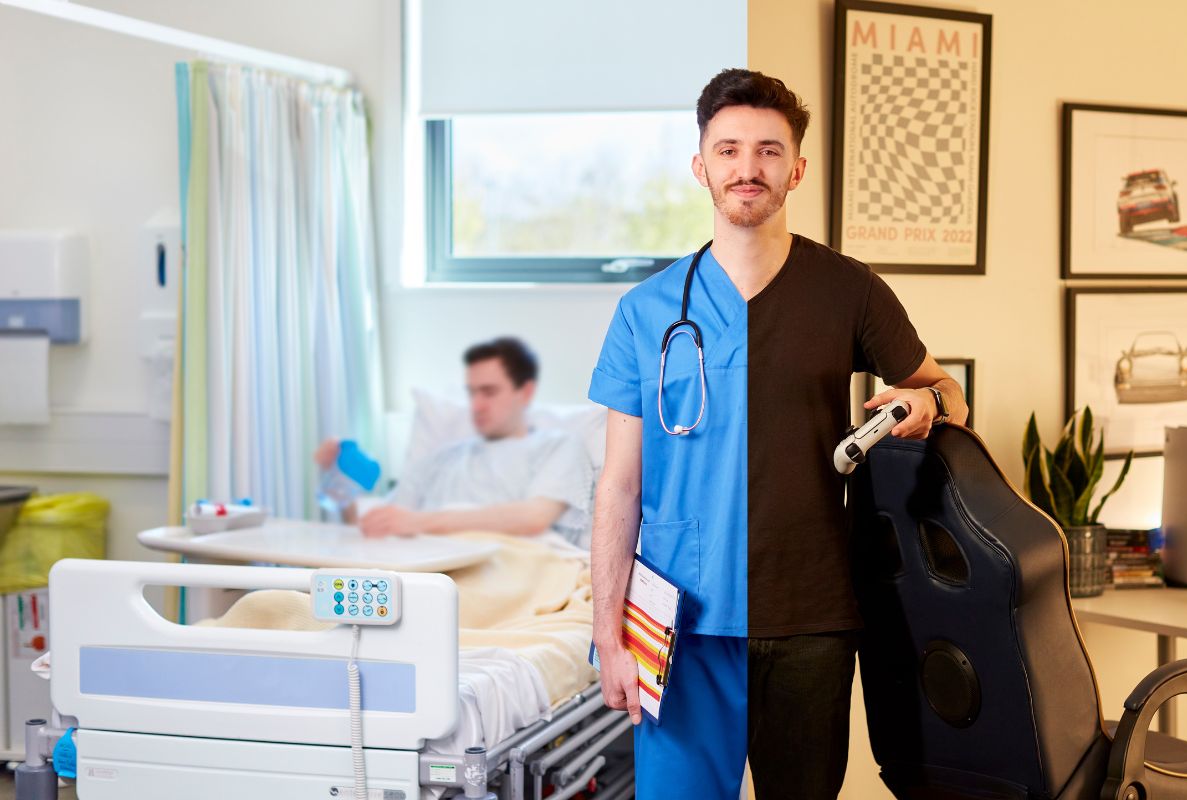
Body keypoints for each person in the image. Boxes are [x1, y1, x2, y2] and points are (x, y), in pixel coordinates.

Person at [587, 69, 968, 799]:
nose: (747, 168)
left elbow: (945, 389)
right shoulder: (645, 311)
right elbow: (619, 483)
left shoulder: (849, 290)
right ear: (701, 166)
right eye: (728, 150)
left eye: (768, 150)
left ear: (796, 168)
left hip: (812, 617)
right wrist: (609, 632)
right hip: (676, 622)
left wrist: (926, 405)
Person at [315, 337, 594, 547]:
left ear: (525, 391)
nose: (476, 405)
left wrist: (418, 522)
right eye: (472, 393)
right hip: (427, 568)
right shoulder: (443, 458)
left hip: (507, 567)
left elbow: (534, 517)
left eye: (489, 392)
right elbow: (378, 523)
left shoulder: (557, 446)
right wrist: (338, 479)